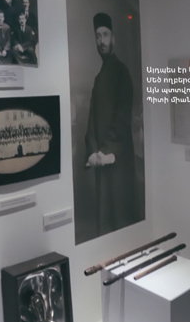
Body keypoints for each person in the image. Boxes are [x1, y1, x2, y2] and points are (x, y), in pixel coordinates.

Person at [84, 12, 136, 235]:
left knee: (120, 220)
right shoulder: (98, 78)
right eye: (98, 36)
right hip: (100, 160)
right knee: (104, 222)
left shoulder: (122, 72)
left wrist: (106, 152)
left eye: (105, 35)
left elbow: (122, 118)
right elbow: (91, 120)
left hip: (117, 160)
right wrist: (92, 151)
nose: (101, 41)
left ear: (113, 38)